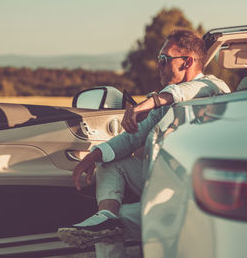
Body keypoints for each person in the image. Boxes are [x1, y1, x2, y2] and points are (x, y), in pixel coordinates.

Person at [58, 29, 231, 250]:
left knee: (112, 229)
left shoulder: (214, 88)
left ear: (187, 62)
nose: (159, 65)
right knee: (110, 163)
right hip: (157, 181)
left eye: (164, 59)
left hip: (188, 195)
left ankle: (109, 223)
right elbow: (132, 139)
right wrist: (93, 156)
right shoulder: (165, 102)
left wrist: (147, 104)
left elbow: (186, 91)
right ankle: (106, 216)